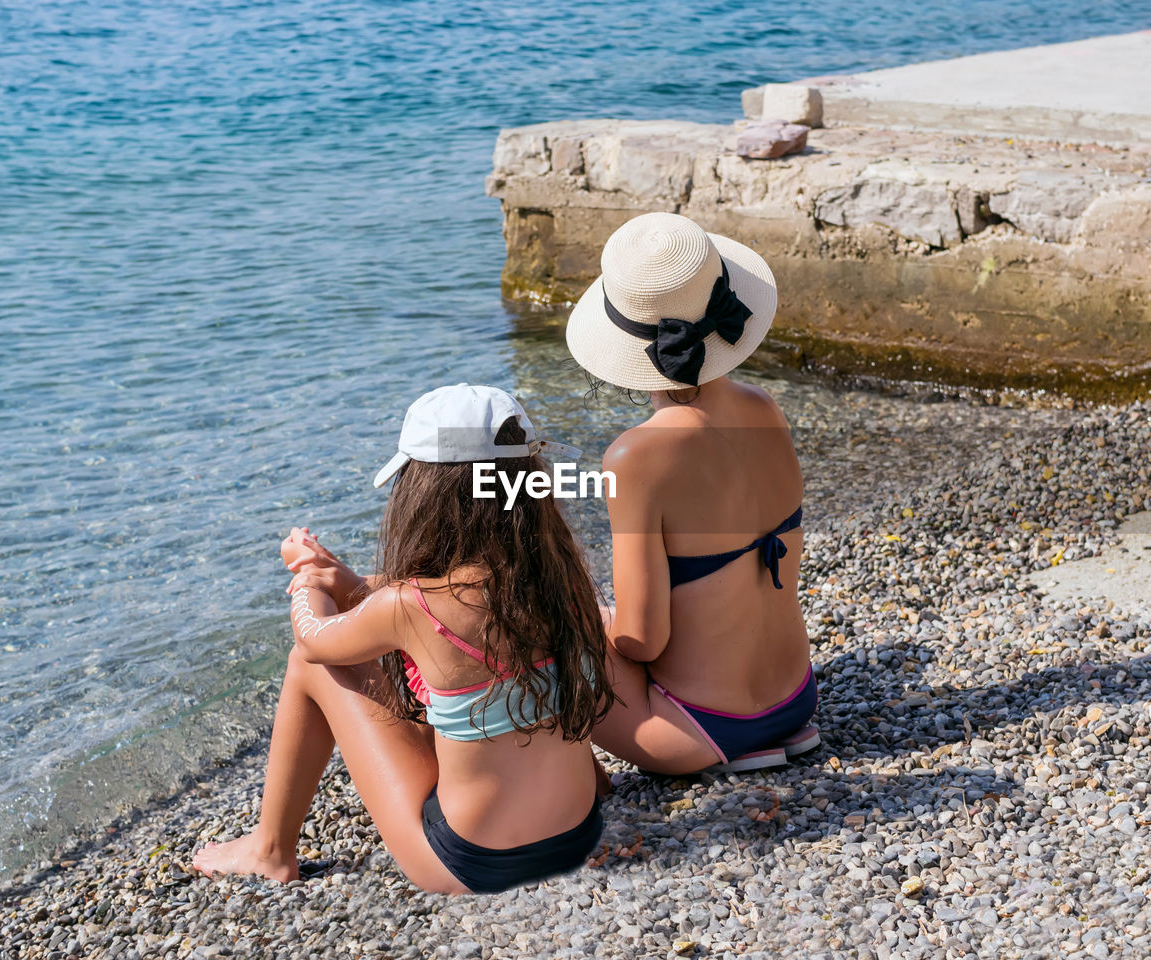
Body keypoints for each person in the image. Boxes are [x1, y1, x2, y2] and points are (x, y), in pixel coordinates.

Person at [192, 384, 613, 894]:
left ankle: (270, 850)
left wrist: (306, 579)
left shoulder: (411, 607)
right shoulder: (558, 575)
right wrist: (342, 578)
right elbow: (417, 605)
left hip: (474, 863)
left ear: (425, 494)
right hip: (578, 832)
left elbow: (314, 641)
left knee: (310, 668)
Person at [566, 212, 818, 775]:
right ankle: (779, 734)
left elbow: (643, 641)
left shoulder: (634, 458)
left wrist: (599, 623)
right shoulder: (764, 410)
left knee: (547, 643)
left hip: (700, 726)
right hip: (798, 696)